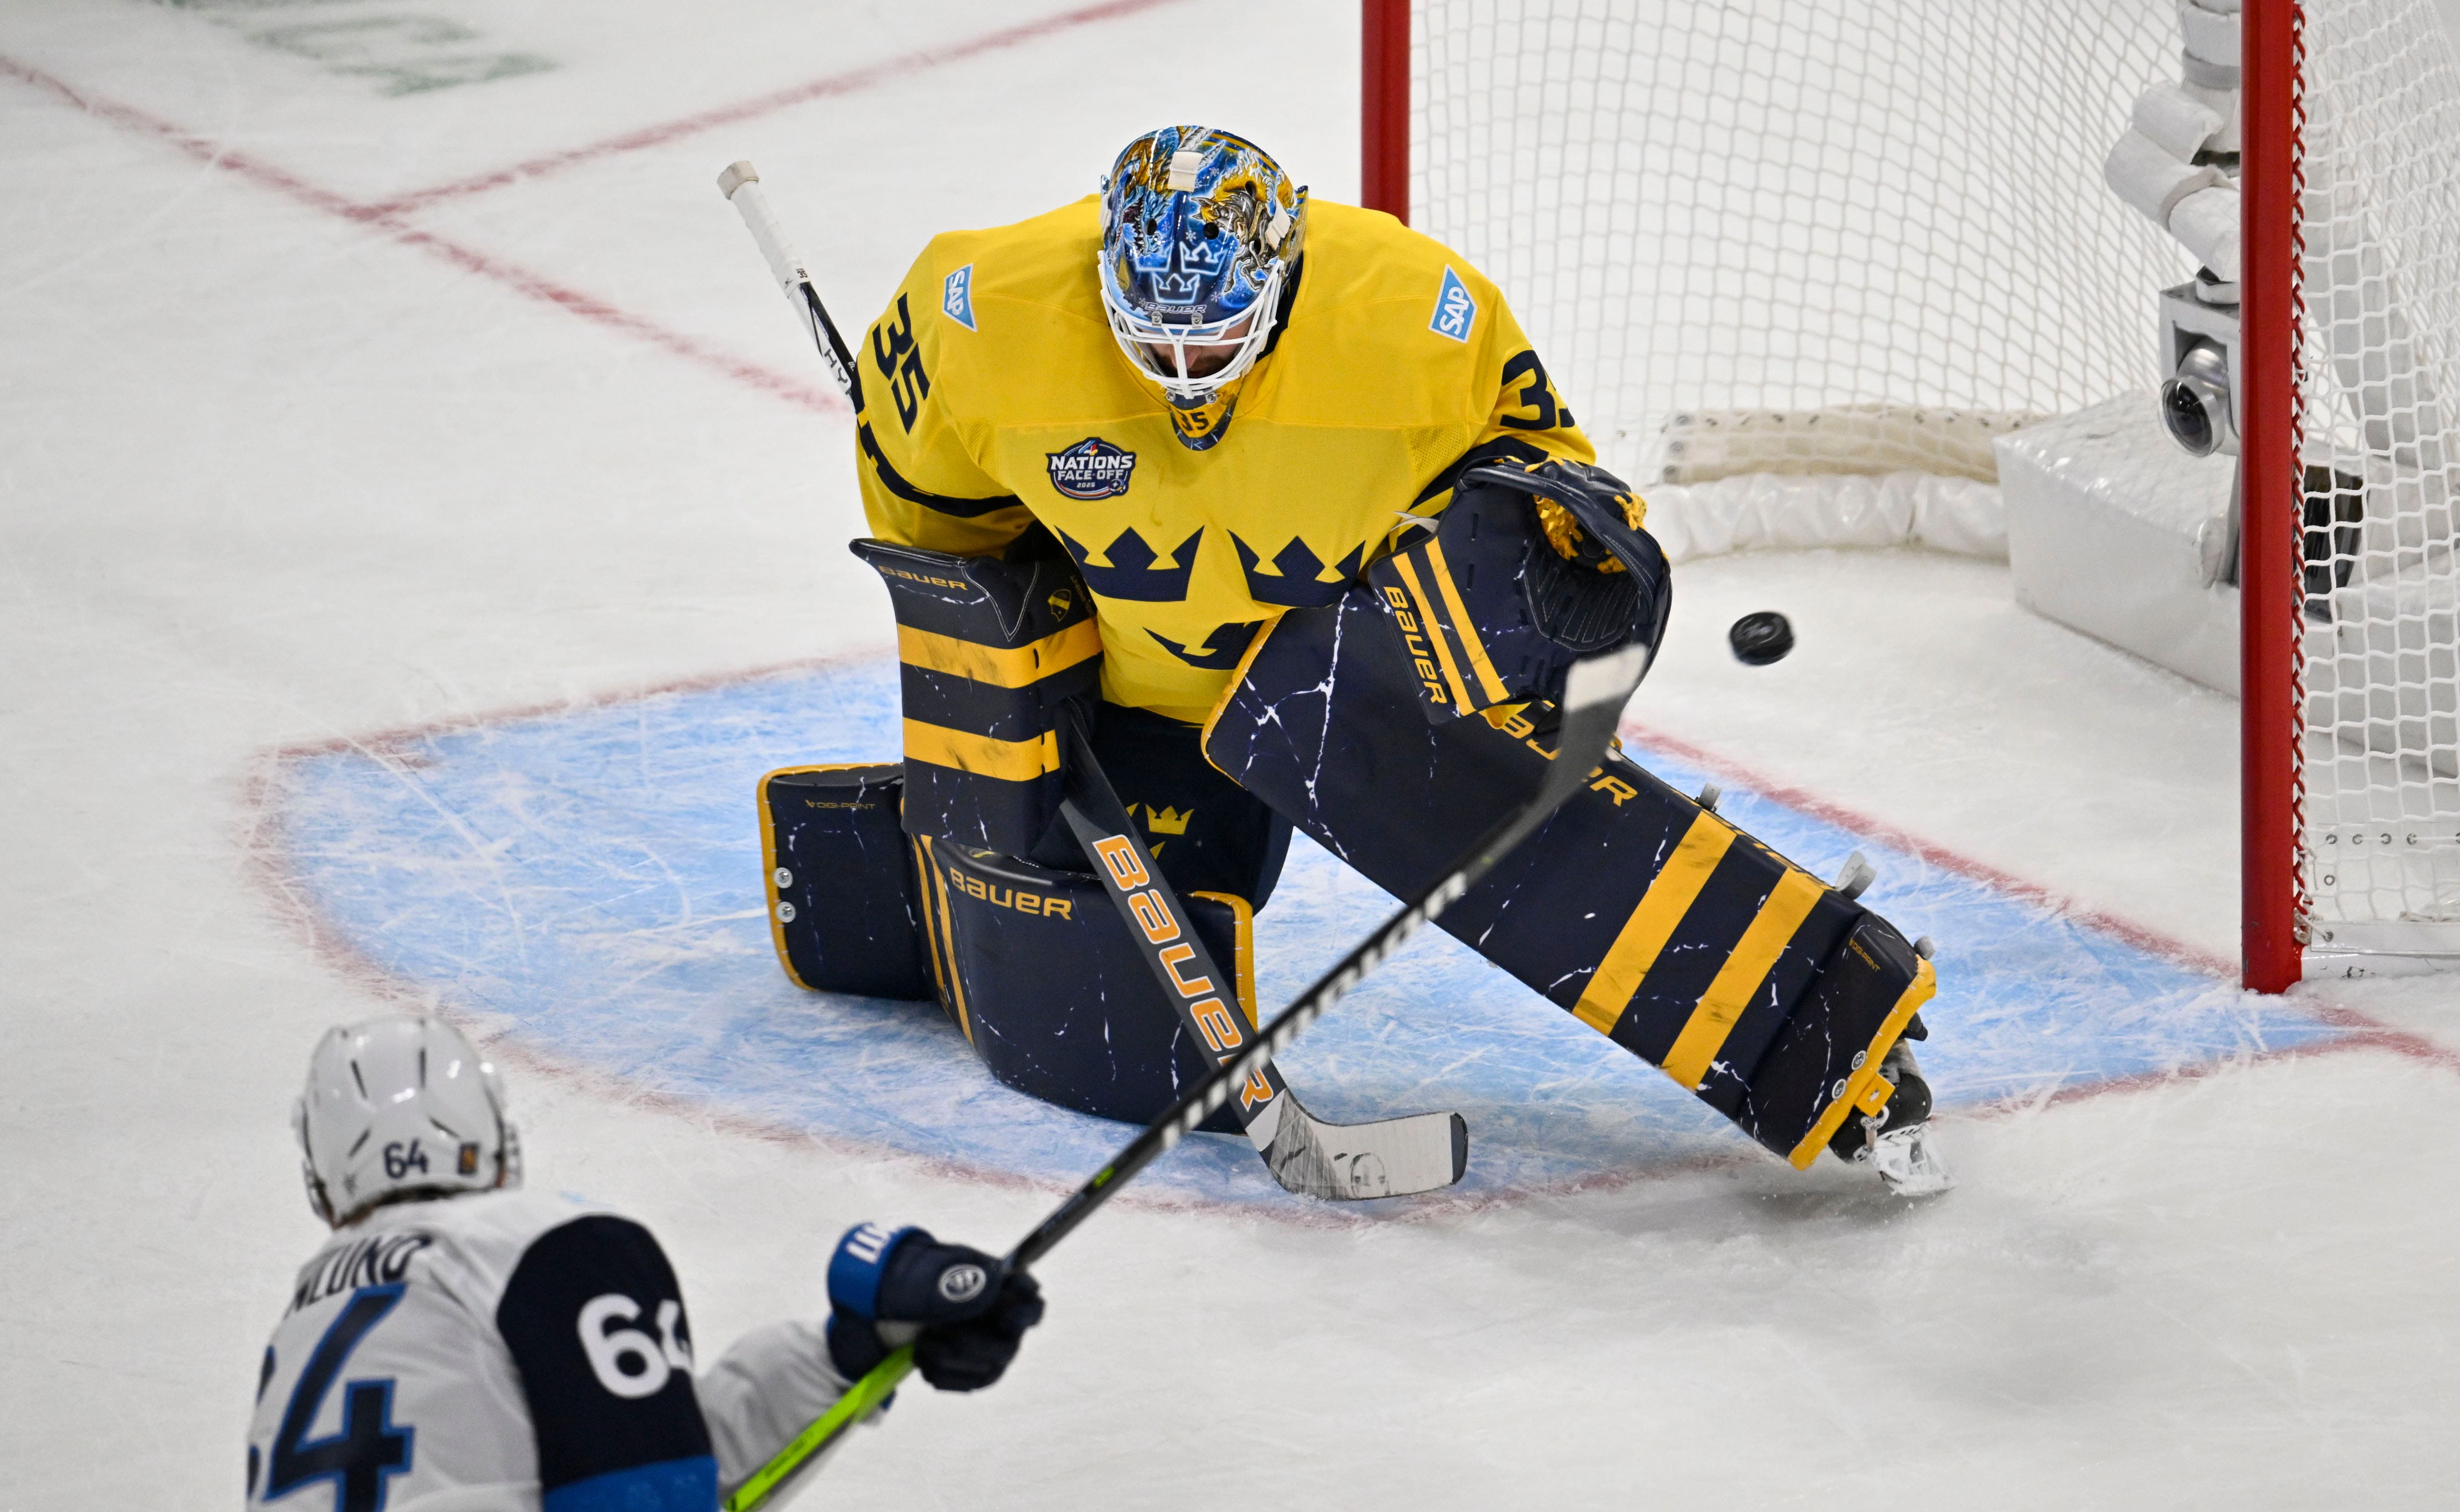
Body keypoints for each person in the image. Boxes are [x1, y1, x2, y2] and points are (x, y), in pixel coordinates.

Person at [843, 124, 1944, 1192]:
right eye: (1155, 338)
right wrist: (1029, 668)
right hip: (1127, 693)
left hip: (1350, 662)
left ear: (1282, 277)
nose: (1185, 373)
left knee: (1522, 835)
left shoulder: (1418, 316)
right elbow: (930, 523)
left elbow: (1546, 469)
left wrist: (1540, 565)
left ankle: (1814, 1031)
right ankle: (904, 891)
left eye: (1215, 336)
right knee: (1095, 979)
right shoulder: (976, 308)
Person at [245, 1014, 1044, 1511]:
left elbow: (659, 1466)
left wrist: (849, 1350)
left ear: (322, 1179)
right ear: (492, 1138)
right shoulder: (550, 1244)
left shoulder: (307, 1317)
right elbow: (652, 1491)